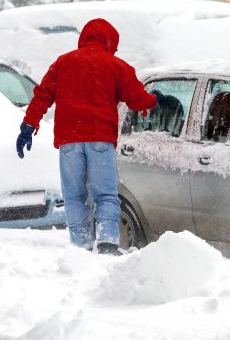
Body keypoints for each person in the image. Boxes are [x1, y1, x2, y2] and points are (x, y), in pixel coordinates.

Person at [15, 18, 165, 255]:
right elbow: (136, 99)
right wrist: (154, 100)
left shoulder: (62, 63)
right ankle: (107, 242)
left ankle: (80, 245)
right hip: (100, 139)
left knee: (74, 196)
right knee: (105, 194)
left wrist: (28, 126)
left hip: (69, 141)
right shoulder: (116, 65)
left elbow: (42, 95)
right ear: (109, 41)